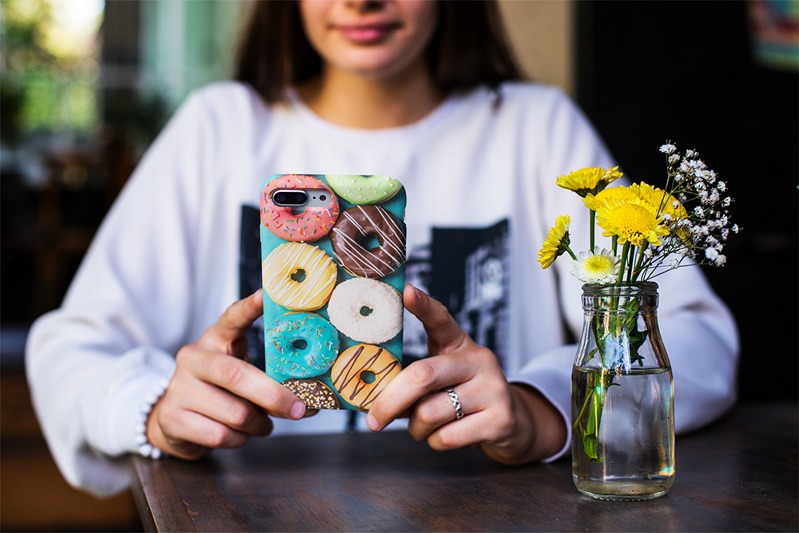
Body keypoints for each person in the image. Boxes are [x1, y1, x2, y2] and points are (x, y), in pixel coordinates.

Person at [26, 0, 739, 497]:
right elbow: (71, 346)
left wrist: (541, 405)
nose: (361, 1)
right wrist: (155, 409)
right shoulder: (220, 127)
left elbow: (693, 335)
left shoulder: (535, 127)